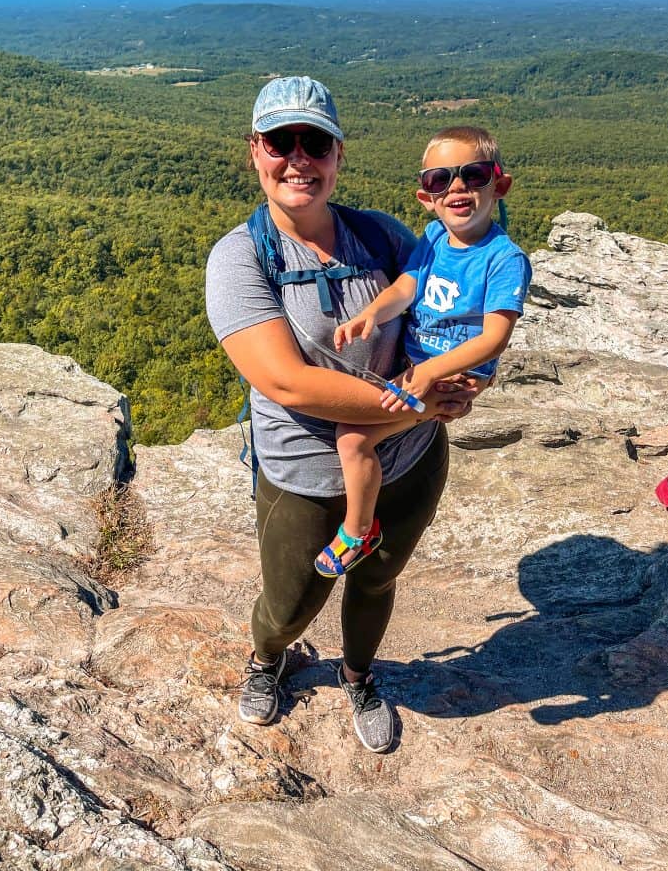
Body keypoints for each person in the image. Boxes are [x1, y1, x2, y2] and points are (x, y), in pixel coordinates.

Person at [205, 76, 475, 753]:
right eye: (280, 142)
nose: (298, 158)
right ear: (255, 152)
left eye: (315, 143)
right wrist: (422, 399)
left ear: (338, 155)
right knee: (290, 602)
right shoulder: (241, 259)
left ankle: (358, 675)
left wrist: (471, 371)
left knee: (377, 578)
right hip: (306, 472)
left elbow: (454, 312)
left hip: (410, 459)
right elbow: (288, 384)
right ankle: (268, 657)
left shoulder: (380, 236)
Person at [316, 125, 532, 576]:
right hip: (422, 367)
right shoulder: (434, 237)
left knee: (353, 438)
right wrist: (372, 313)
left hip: (448, 376)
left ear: (500, 186)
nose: (457, 187)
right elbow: (407, 287)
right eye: (440, 179)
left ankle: (358, 531)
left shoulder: (504, 259)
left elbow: (494, 339)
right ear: (426, 197)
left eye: (474, 174)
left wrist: (429, 374)